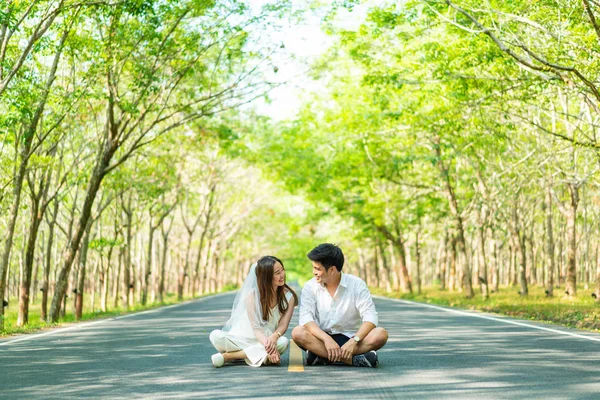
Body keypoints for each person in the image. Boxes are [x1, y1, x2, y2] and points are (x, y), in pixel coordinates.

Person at [292, 243, 388, 368]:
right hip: (321, 340)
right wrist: (327, 339)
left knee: (381, 334)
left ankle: (322, 358)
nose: (314, 272)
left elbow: (370, 317)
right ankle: (353, 360)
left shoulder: (356, 284)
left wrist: (355, 340)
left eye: (317, 269)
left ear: (332, 270)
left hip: (351, 340)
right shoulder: (310, 286)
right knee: (298, 332)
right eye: (313, 267)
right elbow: (306, 319)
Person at [209, 255, 298, 367]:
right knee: (215, 336)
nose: (282, 275)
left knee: (283, 342)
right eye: (277, 273)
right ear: (266, 276)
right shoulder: (252, 295)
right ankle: (258, 355)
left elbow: (283, 325)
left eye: (282, 270)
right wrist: (269, 348)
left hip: (267, 339)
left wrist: (274, 338)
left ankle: (230, 356)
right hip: (241, 339)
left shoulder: (289, 296)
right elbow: (256, 329)